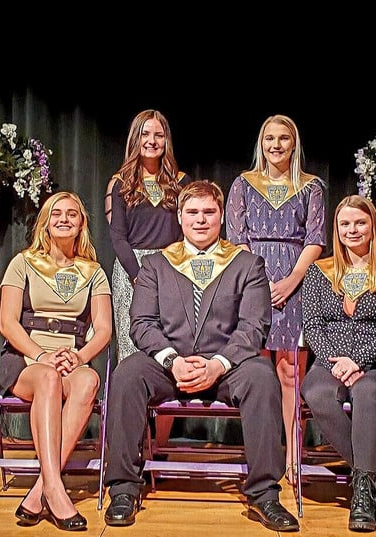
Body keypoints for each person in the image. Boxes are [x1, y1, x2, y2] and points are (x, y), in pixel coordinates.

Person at [103, 180, 299, 532]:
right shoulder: (158, 265)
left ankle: (265, 494)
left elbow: (255, 325)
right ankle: (124, 488)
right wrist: (172, 360)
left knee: (262, 376)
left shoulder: (247, 264)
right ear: (179, 217)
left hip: (226, 365)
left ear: (221, 217)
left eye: (209, 212)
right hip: (171, 364)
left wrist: (218, 364)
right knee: (128, 372)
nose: (201, 220)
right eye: (192, 212)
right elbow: (142, 323)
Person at [0, 191, 112, 531]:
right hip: (26, 359)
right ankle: (57, 491)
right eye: (56, 213)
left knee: (90, 380)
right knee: (46, 378)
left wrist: (79, 357)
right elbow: (7, 323)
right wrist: (41, 354)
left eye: (72, 214)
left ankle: (42, 488)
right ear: (45, 224)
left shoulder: (93, 271)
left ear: (81, 224)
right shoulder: (23, 263)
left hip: (70, 359)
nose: (64, 219)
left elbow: (103, 330)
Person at [226, 114, 327, 482]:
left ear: (294, 143)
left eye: (284, 138)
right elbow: (236, 239)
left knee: (288, 374)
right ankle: (261, 454)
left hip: (296, 283)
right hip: (252, 281)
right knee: (256, 371)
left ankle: (293, 456)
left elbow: (316, 237)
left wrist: (291, 280)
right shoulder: (243, 184)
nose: (276, 145)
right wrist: (259, 282)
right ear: (261, 143)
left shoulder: (311, 186)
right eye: (270, 138)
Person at [300, 194, 376, 532]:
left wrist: (358, 360)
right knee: (315, 393)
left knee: (365, 392)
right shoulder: (320, 272)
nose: (352, 229)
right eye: (345, 223)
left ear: (373, 227)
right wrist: (336, 363)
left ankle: (361, 496)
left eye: (360, 223)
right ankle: (372, 484)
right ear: (337, 229)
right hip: (329, 363)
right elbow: (312, 325)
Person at [108, 109, 192, 363]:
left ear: (167, 140)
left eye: (159, 134)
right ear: (135, 139)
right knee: (131, 343)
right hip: (131, 268)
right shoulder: (120, 183)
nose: (152, 141)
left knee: (170, 343)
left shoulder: (182, 182)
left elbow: (186, 234)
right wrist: (138, 276)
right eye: (145, 134)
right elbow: (118, 238)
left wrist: (170, 271)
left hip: (170, 267)